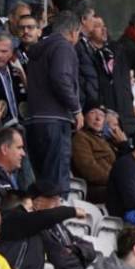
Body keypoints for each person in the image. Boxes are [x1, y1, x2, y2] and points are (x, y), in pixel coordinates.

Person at [26, 11, 82, 194]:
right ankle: (57, 219)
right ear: (73, 32)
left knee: (43, 183)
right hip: (55, 120)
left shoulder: (39, 49)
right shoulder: (63, 47)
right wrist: (76, 108)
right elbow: (60, 78)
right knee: (56, 183)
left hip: (35, 120)